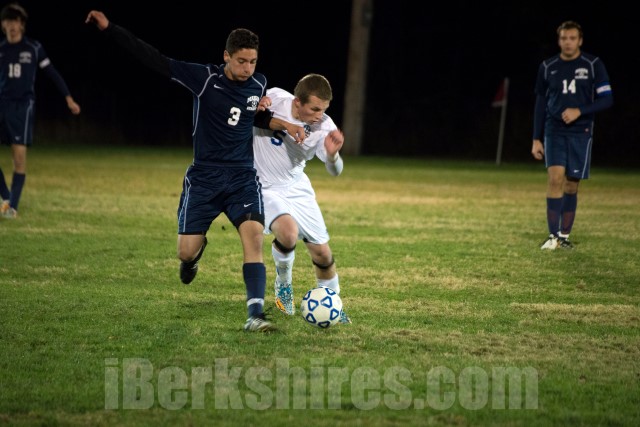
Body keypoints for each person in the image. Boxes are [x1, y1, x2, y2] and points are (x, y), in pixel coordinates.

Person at [85, 10, 305, 332]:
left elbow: (250, 115)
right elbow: (155, 59)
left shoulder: (259, 83)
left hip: (242, 177)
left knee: (254, 236)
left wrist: (284, 124)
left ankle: (255, 314)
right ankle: (194, 257)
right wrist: (110, 29)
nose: (248, 68)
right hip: (204, 178)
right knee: (185, 252)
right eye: (241, 61)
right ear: (226, 56)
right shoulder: (204, 79)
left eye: (253, 61)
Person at [253, 74, 350, 323]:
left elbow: (335, 171)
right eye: (314, 109)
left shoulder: (324, 128)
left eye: (324, 109)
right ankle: (283, 286)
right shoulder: (275, 97)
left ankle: (333, 304)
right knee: (288, 233)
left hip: (296, 186)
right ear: (298, 102)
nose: (319, 115)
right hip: (264, 185)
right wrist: (257, 102)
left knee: (323, 254)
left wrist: (332, 156)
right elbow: (248, 107)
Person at [531, 21, 613, 250]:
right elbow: (540, 103)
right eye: (564, 38)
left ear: (580, 40)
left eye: (572, 38)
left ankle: (564, 236)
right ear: (559, 41)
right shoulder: (547, 67)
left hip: (581, 131)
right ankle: (552, 236)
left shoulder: (593, 65)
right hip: (554, 130)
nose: (568, 42)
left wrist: (580, 111)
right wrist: (536, 138)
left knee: (571, 184)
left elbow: (607, 99)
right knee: (555, 178)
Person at [0, 3, 81, 219]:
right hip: (2, 105)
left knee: (18, 159)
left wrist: (68, 98)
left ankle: (12, 207)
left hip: (22, 108)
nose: (12, 25)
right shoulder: (1, 49)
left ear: (22, 25)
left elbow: (52, 73)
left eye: (16, 21)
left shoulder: (33, 48)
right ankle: (6, 197)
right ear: (3, 25)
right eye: (8, 21)